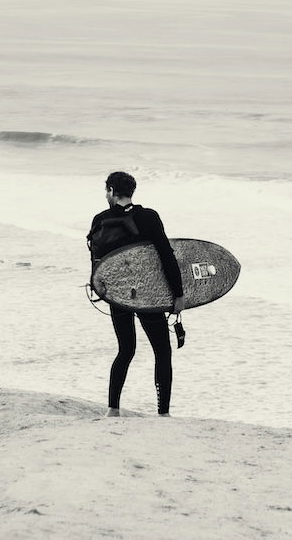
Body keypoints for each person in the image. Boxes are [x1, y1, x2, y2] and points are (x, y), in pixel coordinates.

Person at [87, 171, 184, 417]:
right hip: (147, 295)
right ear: (132, 191)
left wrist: (103, 291)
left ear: (110, 190)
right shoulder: (149, 217)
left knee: (125, 350)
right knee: (162, 351)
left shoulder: (100, 219)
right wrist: (178, 294)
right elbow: (166, 256)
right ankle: (163, 413)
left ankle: (113, 410)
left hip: (118, 296)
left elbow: (98, 265)